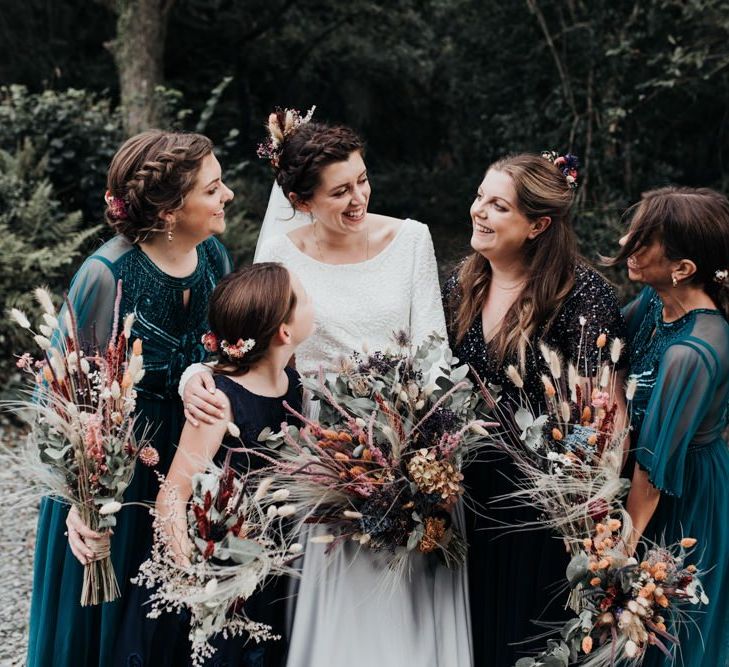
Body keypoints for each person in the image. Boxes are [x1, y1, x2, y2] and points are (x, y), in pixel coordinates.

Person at [182, 109, 473, 667]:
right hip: (322, 450)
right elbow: (246, 343)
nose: (358, 198)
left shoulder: (412, 240)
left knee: (410, 589)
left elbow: (436, 351)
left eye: (362, 180)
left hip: (410, 439)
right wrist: (194, 375)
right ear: (302, 200)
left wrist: (423, 451)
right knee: (347, 602)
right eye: (339, 191)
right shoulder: (281, 254)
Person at [27, 129, 234, 667]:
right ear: (169, 210)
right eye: (213, 189)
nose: (228, 195)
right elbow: (60, 397)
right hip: (116, 474)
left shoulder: (214, 255)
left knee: (173, 623)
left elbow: (226, 352)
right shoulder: (106, 274)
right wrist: (81, 502)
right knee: (106, 628)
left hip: (189, 459)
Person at [441, 152, 626, 665]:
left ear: (537, 225)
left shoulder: (581, 295)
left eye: (498, 205)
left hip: (541, 503)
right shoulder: (462, 282)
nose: (479, 210)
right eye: (480, 196)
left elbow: (603, 412)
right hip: (465, 494)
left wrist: (584, 509)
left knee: (525, 636)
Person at [147, 263, 313, 667]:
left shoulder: (295, 383)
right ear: (284, 333)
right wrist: (195, 577)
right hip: (226, 569)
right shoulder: (219, 402)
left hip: (278, 562)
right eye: (304, 299)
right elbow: (172, 495)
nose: (312, 302)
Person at [609, 186, 729, 667]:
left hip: (683, 505)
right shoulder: (655, 304)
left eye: (642, 240)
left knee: (666, 637)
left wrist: (613, 564)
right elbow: (607, 356)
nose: (625, 245)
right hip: (648, 487)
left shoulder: (693, 352)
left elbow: (652, 474)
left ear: (683, 269)